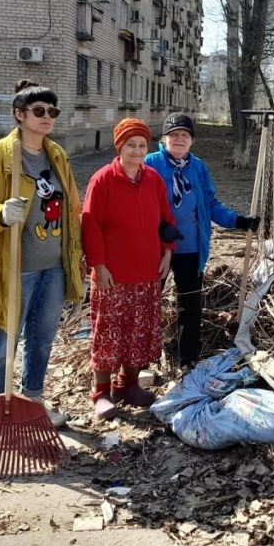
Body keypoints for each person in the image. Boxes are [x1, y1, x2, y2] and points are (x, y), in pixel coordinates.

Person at [0, 80, 84, 428]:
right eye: (39, 111)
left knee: (41, 341)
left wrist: (75, 254)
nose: (47, 118)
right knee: (1, 345)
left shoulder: (57, 156)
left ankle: (33, 403)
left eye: (52, 112)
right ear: (19, 115)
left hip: (53, 268)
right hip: (13, 268)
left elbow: (71, 209)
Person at [144, 113, 260, 369]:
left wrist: (237, 221)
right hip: (157, 247)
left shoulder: (198, 167)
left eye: (184, 135)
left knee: (190, 305)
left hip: (190, 248)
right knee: (149, 302)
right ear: (164, 138)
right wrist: (158, 227)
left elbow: (210, 203)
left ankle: (188, 359)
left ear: (191, 141)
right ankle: (143, 358)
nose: (179, 139)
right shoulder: (150, 163)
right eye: (173, 135)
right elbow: (139, 202)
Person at [81, 118, 176, 420]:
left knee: (138, 331)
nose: (136, 151)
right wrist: (98, 264)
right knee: (108, 333)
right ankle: (101, 392)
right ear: (119, 146)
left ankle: (128, 385)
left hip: (147, 272)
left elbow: (166, 221)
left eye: (141, 145)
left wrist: (167, 252)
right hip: (112, 275)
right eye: (130, 145)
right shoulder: (103, 179)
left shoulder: (153, 179)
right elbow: (90, 226)